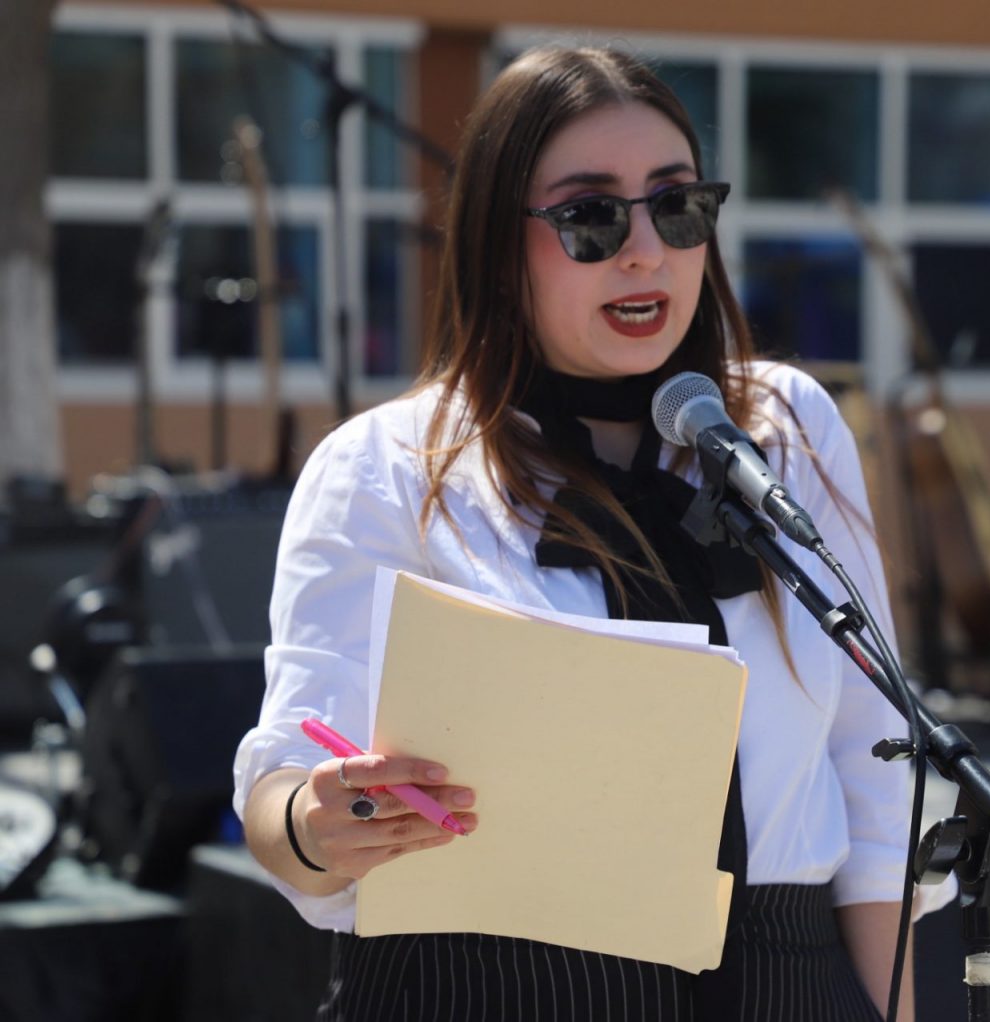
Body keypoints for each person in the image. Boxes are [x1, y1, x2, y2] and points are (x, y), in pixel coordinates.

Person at [232, 45, 947, 1021]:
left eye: (678, 205)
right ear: (497, 244)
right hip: (486, 988)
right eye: (591, 217)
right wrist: (318, 823)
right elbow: (279, 786)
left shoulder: (787, 427)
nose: (645, 250)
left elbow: (876, 772)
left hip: (783, 981)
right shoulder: (388, 465)